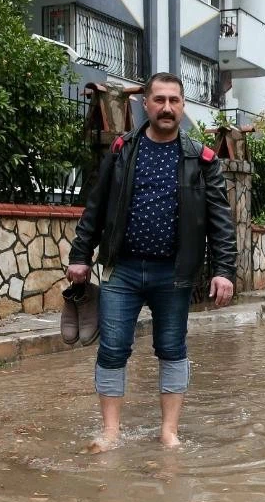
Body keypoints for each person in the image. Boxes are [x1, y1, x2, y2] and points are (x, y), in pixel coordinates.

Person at [67, 72, 236, 451]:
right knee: (112, 348)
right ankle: (110, 433)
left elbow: (220, 220)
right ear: (145, 104)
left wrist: (224, 270)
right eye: (159, 100)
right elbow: (96, 207)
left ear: (183, 106)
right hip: (121, 269)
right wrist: (81, 255)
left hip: (174, 273)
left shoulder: (200, 158)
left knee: (172, 348)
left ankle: (168, 432)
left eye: (174, 101)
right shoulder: (124, 150)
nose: (166, 108)